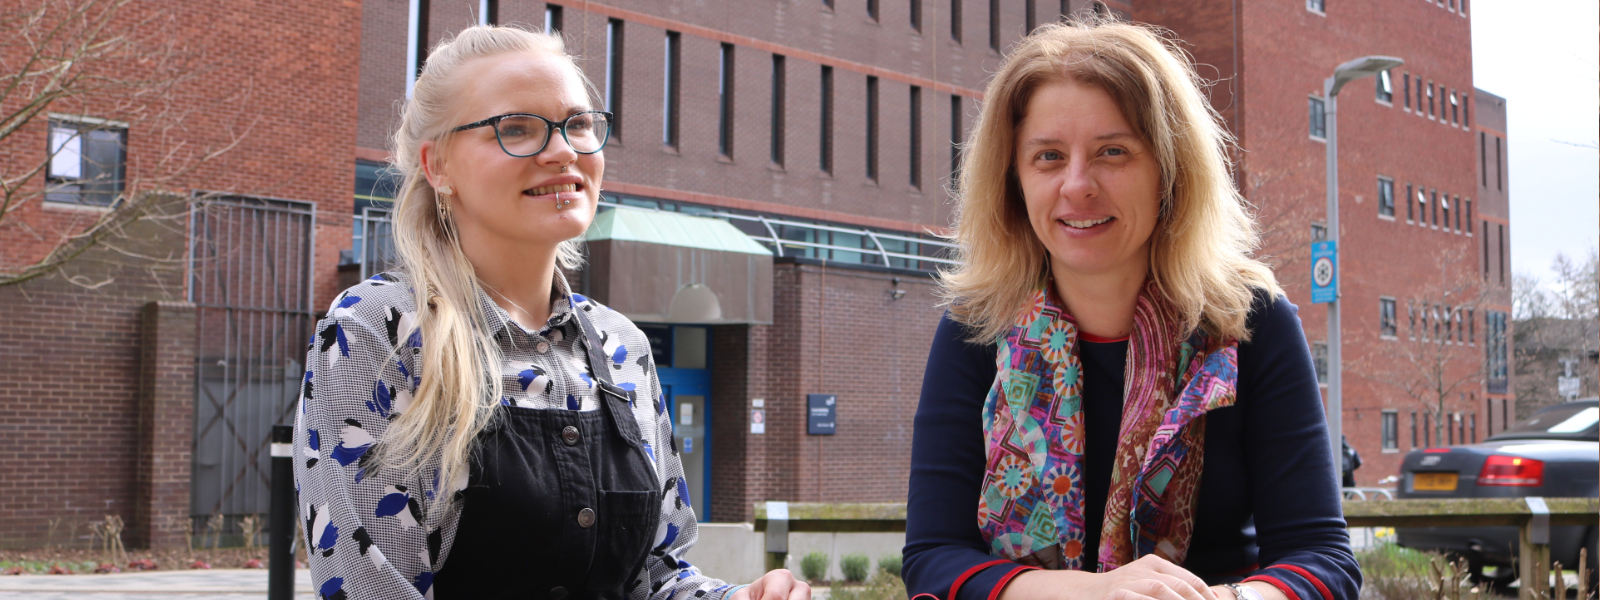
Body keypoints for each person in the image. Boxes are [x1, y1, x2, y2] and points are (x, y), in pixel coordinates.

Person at [292, 26, 809, 600]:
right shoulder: (379, 331)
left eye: (578, 124)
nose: (564, 151)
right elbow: (369, 587)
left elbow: (656, 575)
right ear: (437, 166)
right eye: (516, 128)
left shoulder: (622, 347)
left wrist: (736, 598)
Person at [902, 18, 1360, 600]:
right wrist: (1096, 594)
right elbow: (933, 560)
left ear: (1170, 170)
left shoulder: (1251, 322)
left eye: (1112, 152)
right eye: (1047, 157)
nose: (1077, 185)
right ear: (1013, 179)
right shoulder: (976, 326)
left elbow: (1321, 561)